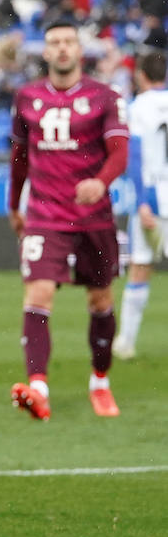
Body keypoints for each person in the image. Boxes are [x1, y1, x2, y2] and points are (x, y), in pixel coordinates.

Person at [8, 20, 128, 420]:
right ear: (44, 52)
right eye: (54, 43)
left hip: (94, 217)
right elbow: (20, 158)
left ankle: (100, 381)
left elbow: (119, 154)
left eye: (68, 42)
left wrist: (100, 181)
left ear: (80, 50)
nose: (62, 49)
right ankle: (38, 388)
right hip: (45, 215)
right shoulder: (26, 98)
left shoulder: (105, 97)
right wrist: (14, 205)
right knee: (38, 294)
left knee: (100, 299)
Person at [113, 50, 168, 359]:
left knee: (141, 267)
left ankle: (126, 342)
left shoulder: (138, 107)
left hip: (153, 198)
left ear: (140, 76)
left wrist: (143, 201)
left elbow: (133, 156)